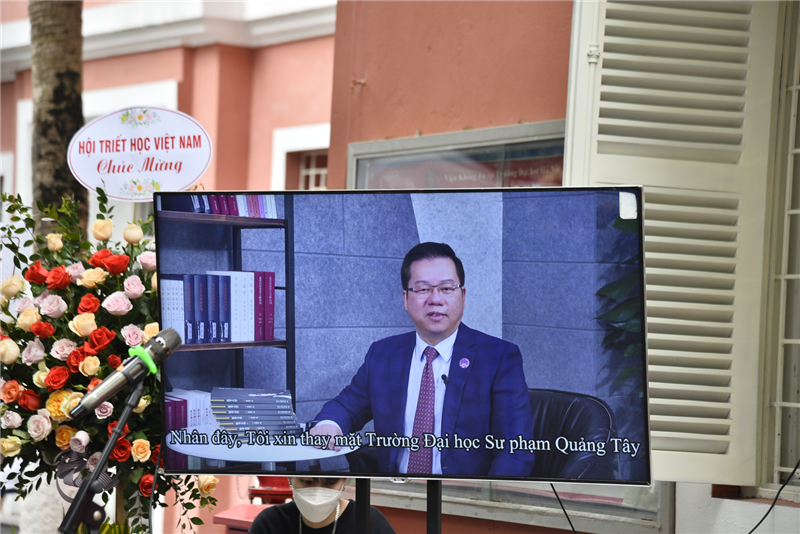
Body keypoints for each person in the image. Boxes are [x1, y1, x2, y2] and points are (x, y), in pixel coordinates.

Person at [311, 242, 535, 477]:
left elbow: (515, 450)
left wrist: (485, 505)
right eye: (423, 289)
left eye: (447, 288)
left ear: (463, 296)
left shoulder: (498, 358)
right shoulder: (384, 355)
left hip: (465, 500)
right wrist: (329, 426)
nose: (435, 299)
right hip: (397, 497)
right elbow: (347, 406)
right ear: (406, 299)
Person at [248, 477, 396, 534]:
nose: (318, 492)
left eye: (330, 482)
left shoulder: (369, 522)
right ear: (290, 479)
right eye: (306, 481)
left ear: (344, 482)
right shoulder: (269, 523)